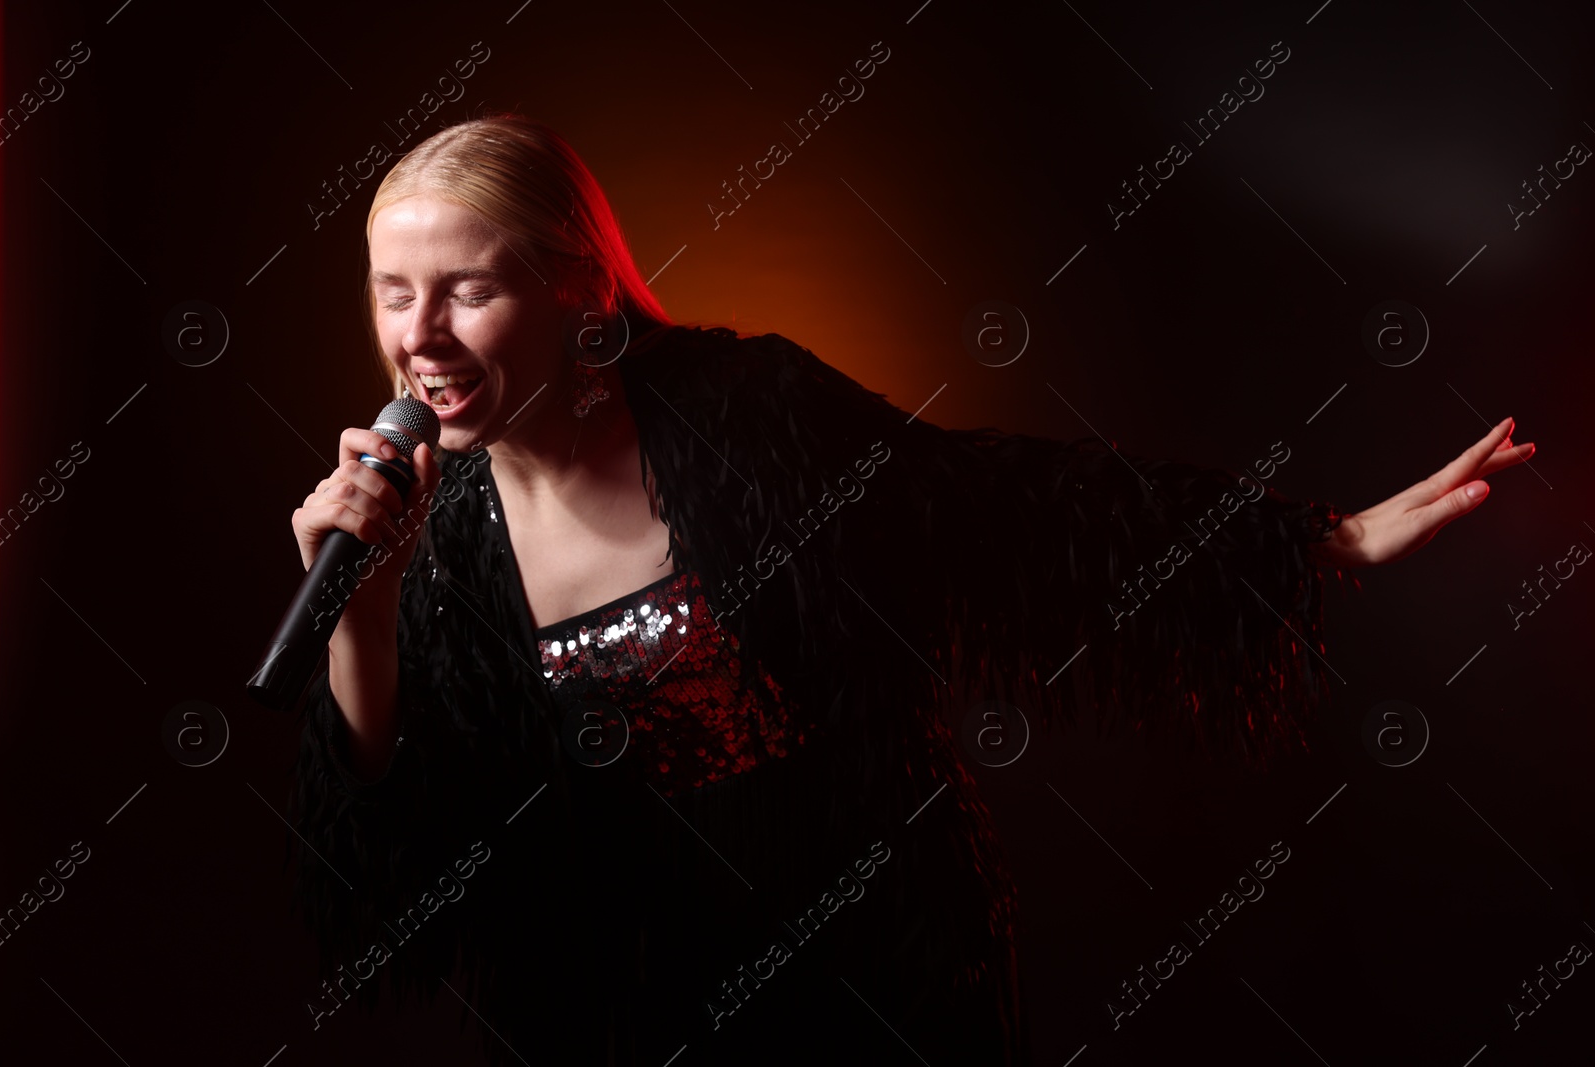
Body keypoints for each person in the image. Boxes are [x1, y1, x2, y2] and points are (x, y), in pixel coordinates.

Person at [284, 113, 1536, 1065]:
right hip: (634, 1011)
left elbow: (1003, 507)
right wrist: (357, 600)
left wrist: (1319, 543)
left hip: (877, 979)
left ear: (577, 287)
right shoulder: (439, 533)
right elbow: (408, 831)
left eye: (469, 288)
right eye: (396, 293)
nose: (421, 333)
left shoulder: (747, 416)